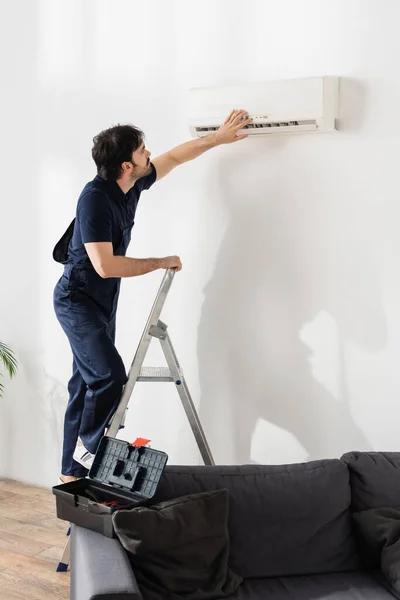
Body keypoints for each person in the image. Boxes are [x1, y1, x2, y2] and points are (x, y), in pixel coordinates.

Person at [53, 109, 251, 483]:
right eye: (143, 151)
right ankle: (91, 451)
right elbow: (105, 266)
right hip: (76, 300)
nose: (150, 155)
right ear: (127, 164)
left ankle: (70, 473)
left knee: (83, 382)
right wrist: (161, 261)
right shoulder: (94, 200)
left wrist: (217, 139)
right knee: (109, 376)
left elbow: (175, 157)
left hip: (101, 303)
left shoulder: (131, 184)